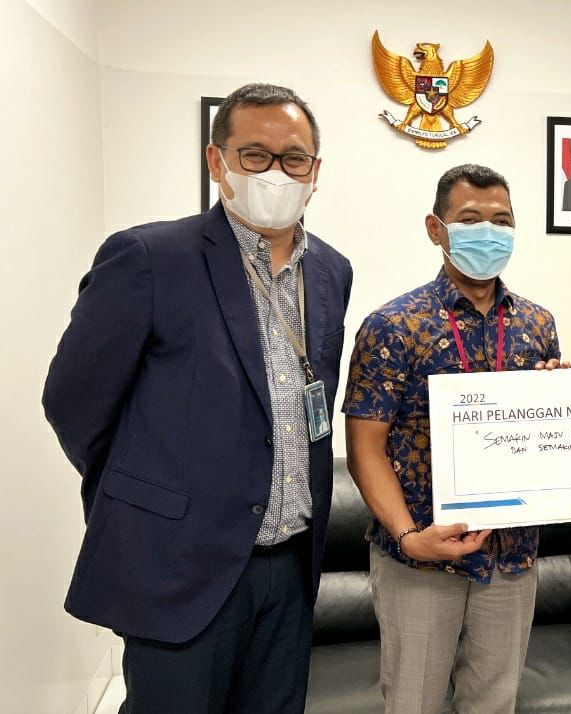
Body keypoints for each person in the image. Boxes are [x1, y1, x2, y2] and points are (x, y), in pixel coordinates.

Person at [42, 83, 353, 712]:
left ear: (315, 172)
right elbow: (73, 402)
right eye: (254, 155)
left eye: (294, 158)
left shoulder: (331, 271)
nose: (276, 172)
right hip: (179, 564)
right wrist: (147, 499)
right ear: (217, 161)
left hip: (290, 567)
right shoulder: (150, 258)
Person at [343, 164, 570, 713]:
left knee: (495, 702)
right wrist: (408, 536)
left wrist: (563, 399)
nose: (488, 232)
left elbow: (545, 437)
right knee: (413, 703)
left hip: (511, 558)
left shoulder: (537, 324)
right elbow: (364, 449)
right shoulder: (393, 325)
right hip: (422, 557)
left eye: (502, 221)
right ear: (435, 228)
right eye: (470, 219)